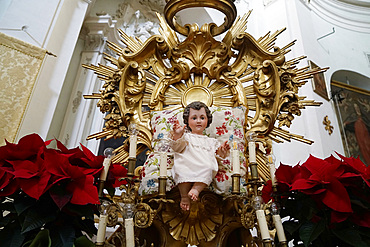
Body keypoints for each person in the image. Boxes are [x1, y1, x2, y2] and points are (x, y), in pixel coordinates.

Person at [170, 101, 230, 210]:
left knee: (210, 167)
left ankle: (196, 189)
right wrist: (178, 135)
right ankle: (184, 196)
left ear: (208, 120)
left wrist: (222, 150)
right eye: (194, 118)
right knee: (181, 169)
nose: (198, 121)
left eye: (202, 118)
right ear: (187, 121)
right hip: (186, 163)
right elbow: (176, 148)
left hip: (204, 164)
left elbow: (217, 157)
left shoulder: (211, 141)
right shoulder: (186, 137)